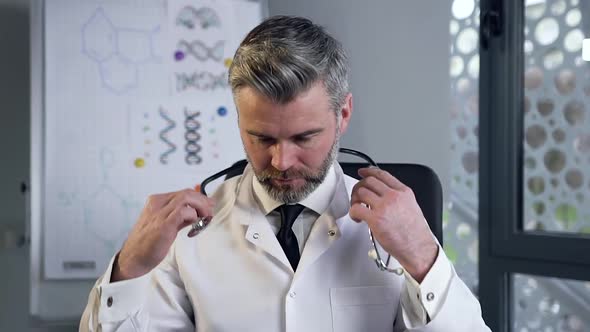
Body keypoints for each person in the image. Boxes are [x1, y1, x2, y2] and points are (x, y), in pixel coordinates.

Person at [80, 15, 491, 331]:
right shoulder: (186, 234)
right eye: (261, 138)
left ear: (343, 114)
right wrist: (128, 269)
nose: (281, 161)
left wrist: (421, 254)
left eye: (303, 137)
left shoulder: (399, 229)